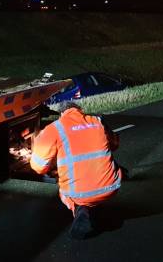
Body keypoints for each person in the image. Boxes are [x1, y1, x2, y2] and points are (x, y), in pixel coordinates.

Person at [30, 102, 122, 239]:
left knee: (63, 187)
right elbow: (114, 144)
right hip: (111, 187)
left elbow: (39, 167)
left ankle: (81, 210)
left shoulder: (54, 129)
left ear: (61, 114)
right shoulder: (98, 121)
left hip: (80, 194)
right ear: (80, 110)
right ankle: (96, 204)